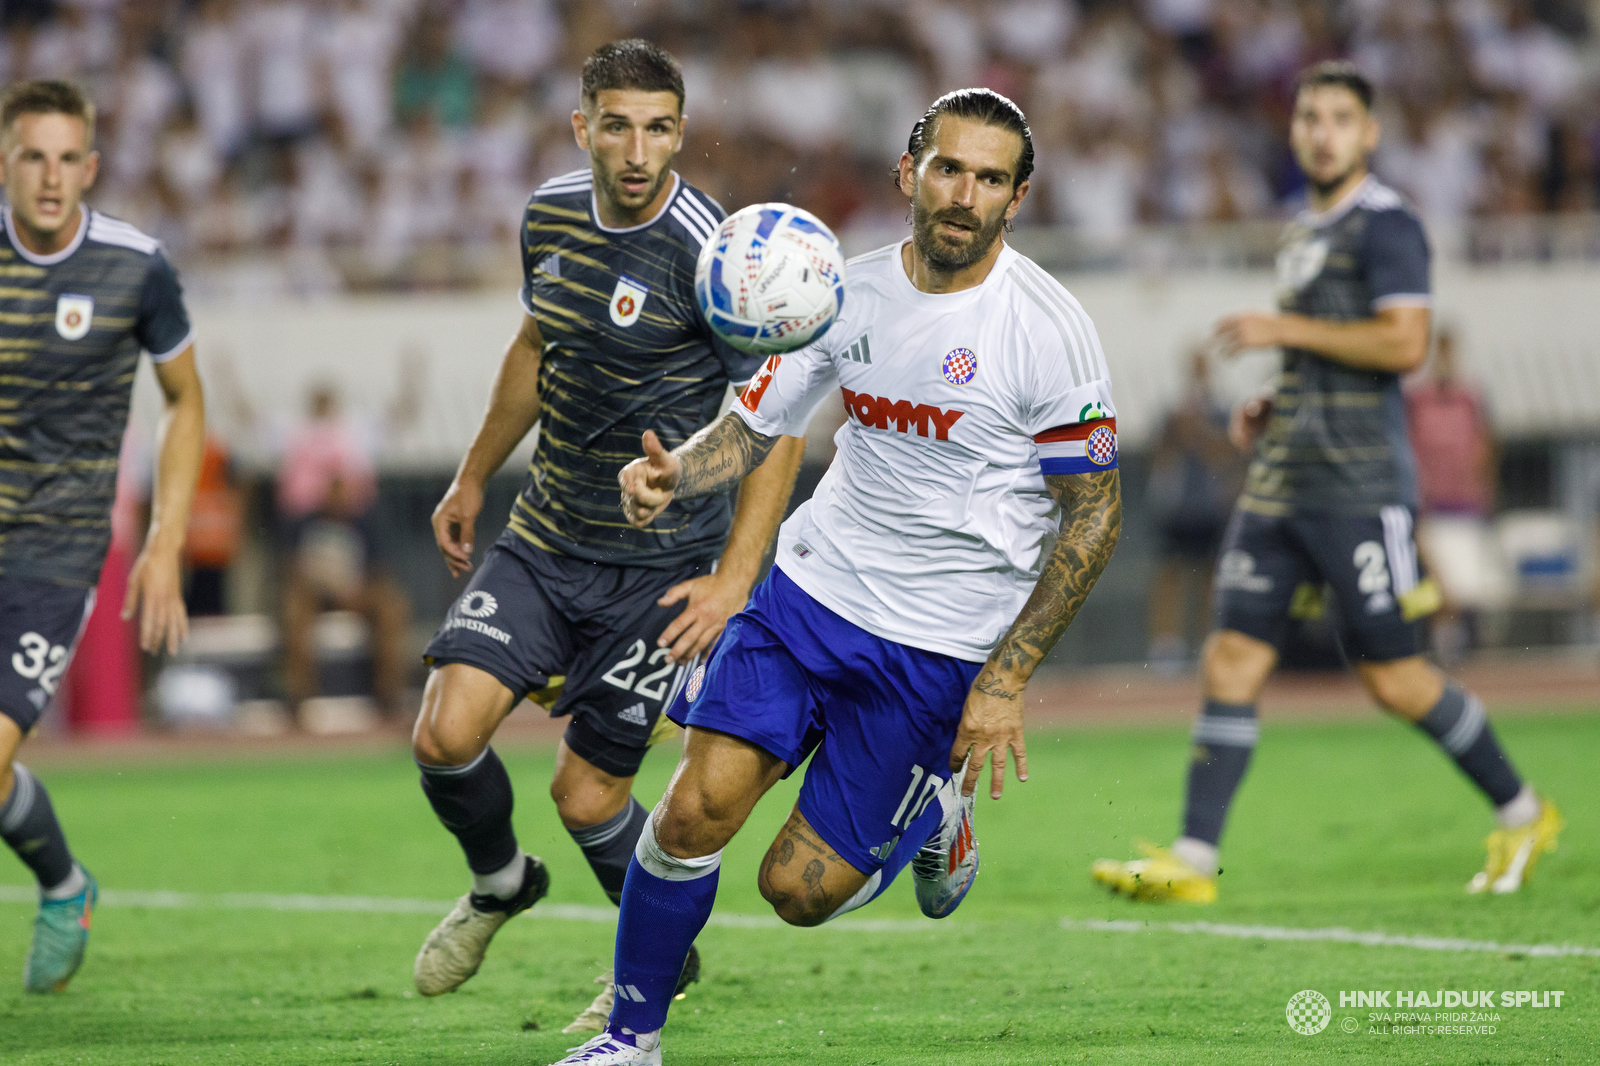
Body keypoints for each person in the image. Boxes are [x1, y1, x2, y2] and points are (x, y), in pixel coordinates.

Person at [556, 87, 1122, 1066]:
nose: (964, 194)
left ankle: (935, 810)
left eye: (990, 179)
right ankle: (629, 1040)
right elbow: (754, 430)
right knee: (693, 808)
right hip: (810, 596)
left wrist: (1005, 678)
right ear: (910, 173)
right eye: (948, 168)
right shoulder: (840, 294)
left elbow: (1096, 515)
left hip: (940, 648)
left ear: (1016, 199)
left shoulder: (1046, 331)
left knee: (797, 891)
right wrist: (670, 472)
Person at [1092, 62, 1561, 905]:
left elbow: (1403, 344)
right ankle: (1194, 861)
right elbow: (1337, 347)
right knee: (1231, 657)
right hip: (1282, 485)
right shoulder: (1302, 229)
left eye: (1341, 118)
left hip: (1358, 486)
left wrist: (1282, 328)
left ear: (1369, 133)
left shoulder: (1386, 225)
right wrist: (1281, 395)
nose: (1321, 131)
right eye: (1310, 116)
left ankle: (1523, 809)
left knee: (1396, 679)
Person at [408, 40, 806, 1032]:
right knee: (443, 734)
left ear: (681, 130)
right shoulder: (545, 215)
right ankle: (501, 881)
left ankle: (661, 962)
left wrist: (732, 580)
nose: (639, 150)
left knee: (587, 796)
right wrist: (471, 473)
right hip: (544, 535)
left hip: (658, 573)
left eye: (660, 127)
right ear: (582, 127)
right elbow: (535, 344)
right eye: (618, 125)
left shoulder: (714, 252)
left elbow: (779, 419)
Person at [0, 80, 204, 992]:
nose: (51, 178)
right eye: (31, 157)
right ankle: (65, 879)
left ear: (91, 165)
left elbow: (185, 401)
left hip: (58, 544)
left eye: (66, 158)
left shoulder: (136, 266)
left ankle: (62, 884)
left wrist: (162, 543)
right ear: (7, 164)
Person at [277, 379, 414, 721]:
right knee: (293, 611)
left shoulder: (364, 520)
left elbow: (378, 567)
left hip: (357, 591)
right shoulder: (306, 520)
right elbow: (293, 566)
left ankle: (389, 694)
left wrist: (355, 590)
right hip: (316, 591)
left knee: (392, 607)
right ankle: (299, 696)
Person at [1145, 348, 1243, 671]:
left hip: (1210, 507)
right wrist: (1175, 432)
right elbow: (1159, 456)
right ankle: (1166, 647)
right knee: (1170, 576)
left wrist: (1198, 435)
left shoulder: (1222, 410)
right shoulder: (1174, 410)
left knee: (1209, 579)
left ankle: (1207, 643)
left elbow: (1228, 454)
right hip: (1178, 507)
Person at [1405, 327, 1498, 661]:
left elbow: (1485, 446)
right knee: (1437, 586)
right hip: (1430, 506)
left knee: (1466, 588)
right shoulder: (1416, 400)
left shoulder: (1470, 398)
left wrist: (1483, 489)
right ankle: (1445, 649)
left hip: (1465, 505)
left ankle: (1459, 648)